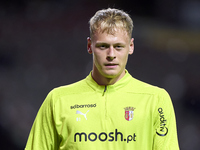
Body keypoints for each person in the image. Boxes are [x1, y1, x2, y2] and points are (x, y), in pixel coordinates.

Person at [25, 8, 179, 150]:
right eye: (103, 46)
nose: (111, 54)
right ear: (89, 45)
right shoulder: (58, 100)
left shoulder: (156, 99)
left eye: (118, 46)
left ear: (131, 47)